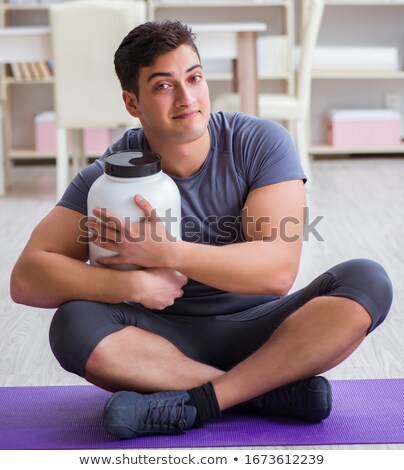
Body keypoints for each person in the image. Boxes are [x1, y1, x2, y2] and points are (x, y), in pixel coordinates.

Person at [11, 20, 393, 439]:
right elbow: (27, 279)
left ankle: (199, 400)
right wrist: (132, 288)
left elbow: (277, 272)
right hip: (158, 341)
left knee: (367, 281)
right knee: (72, 323)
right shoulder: (108, 179)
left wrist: (166, 253)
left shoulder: (260, 143)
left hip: (262, 327)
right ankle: (263, 392)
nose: (186, 98)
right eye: (162, 86)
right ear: (132, 103)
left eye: (193, 78)